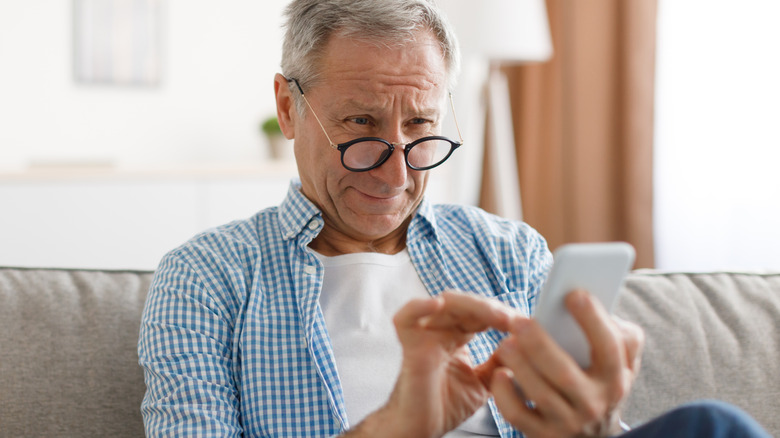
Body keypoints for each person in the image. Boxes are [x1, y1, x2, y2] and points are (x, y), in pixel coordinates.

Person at [137, 1, 771, 437]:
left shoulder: (509, 251)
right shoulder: (206, 277)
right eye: (360, 125)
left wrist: (593, 421)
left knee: (713, 426)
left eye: (420, 128)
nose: (394, 175)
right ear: (289, 106)